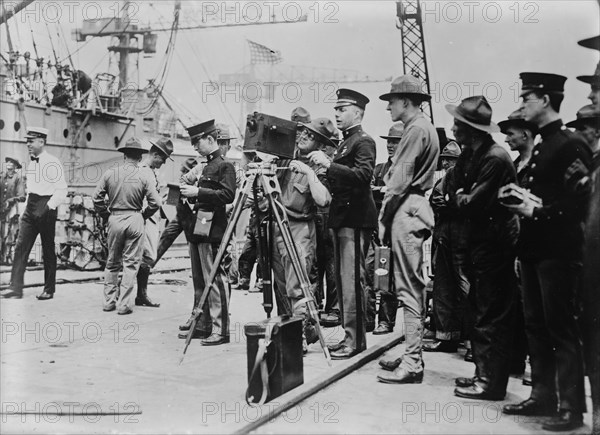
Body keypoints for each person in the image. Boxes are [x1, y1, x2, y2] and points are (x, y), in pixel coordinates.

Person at [502, 73, 592, 432]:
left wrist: (536, 212)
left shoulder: (569, 144)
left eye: (527, 99)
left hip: (558, 252)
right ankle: (543, 395)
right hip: (535, 249)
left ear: (545, 100)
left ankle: (571, 407)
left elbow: (581, 203)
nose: (522, 105)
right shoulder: (543, 143)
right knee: (536, 325)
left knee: (560, 328)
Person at [443, 96, 519, 402]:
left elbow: (471, 203)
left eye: (457, 124)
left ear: (469, 129)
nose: (452, 128)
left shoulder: (494, 158)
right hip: (480, 244)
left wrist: (456, 199)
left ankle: (490, 382)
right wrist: (458, 196)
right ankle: (483, 374)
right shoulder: (473, 154)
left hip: (495, 246)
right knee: (480, 308)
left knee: (490, 313)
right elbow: (452, 187)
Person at [374, 75, 439, 384]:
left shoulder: (414, 130)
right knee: (410, 286)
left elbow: (397, 181)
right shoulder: (423, 127)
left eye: (392, 101)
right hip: (415, 206)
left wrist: (384, 218)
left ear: (406, 102)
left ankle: (413, 360)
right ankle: (411, 350)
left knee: (409, 289)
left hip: (406, 207)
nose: (389, 107)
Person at [308, 88, 378, 360]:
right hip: (343, 218)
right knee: (344, 280)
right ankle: (350, 336)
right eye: (336, 109)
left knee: (352, 281)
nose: (336, 114)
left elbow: (363, 176)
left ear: (358, 113)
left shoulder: (364, 142)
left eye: (342, 109)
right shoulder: (347, 143)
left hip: (354, 219)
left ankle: (355, 341)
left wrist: (329, 165)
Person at [271, 117, 335, 353]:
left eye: (310, 136)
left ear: (320, 142)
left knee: (297, 286)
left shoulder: (319, 166)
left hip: (299, 229)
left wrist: (309, 172)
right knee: (281, 286)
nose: (302, 137)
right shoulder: (286, 159)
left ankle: (298, 337)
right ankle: (301, 329)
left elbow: (324, 200)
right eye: (302, 133)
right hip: (277, 225)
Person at [178, 120, 236, 346]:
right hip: (202, 224)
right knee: (201, 278)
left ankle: (221, 330)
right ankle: (204, 325)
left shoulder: (224, 166)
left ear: (210, 140)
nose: (195, 148)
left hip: (214, 229)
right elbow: (209, 194)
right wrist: (190, 195)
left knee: (215, 278)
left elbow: (227, 195)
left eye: (197, 142)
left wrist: (197, 190)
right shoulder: (207, 166)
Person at [92, 137, 161, 314]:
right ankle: (123, 305)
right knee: (131, 264)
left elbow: (96, 198)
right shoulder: (145, 175)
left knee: (112, 262)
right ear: (139, 157)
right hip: (135, 218)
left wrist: (106, 215)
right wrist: (144, 215)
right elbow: (156, 203)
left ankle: (108, 302)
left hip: (115, 218)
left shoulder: (110, 173)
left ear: (124, 156)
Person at [2, 127, 67, 300]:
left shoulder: (53, 163)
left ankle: (49, 289)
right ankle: (16, 287)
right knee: (21, 246)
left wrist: (48, 207)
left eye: (31, 141)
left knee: (47, 249)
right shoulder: (32, 162)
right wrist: (27, 209)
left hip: (46, 206)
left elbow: (62, 190)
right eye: (27, 141)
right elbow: (31, 190)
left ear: (42, 142)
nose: (28, 144)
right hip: (31, 206)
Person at [497, 109, 538, 378]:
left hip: (537, 243)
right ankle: (515, 360)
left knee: (536, 308)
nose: (507, 138)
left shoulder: (540, 164)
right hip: (513, 242)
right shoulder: (513, 165)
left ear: (525, 133)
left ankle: (538, 365)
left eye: (510, 133)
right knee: (515, 304)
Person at [423, 141, 470, 355]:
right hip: (443, 239)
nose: (446, 162)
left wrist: (454, 207)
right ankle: (447, 337)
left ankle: (471, 341)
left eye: (450, 159)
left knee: (466, 287)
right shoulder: (443, 180)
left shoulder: (471, 179)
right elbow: (437, 200)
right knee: (443, 288)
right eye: (444, 159)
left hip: (464, 241)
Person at [369, 122, 404, 335]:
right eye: (389, 141)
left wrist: (382, 190)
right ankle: (367, 320)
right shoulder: (379, 168)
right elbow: (368, 192)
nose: (391, 146)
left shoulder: (407, 169)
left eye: (396, 142)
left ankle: (386, 321)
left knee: (388, 277)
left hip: (395, 231)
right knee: (370, 273)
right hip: (375, 228)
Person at [135, 138, 174, 308]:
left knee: (147, 257)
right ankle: (139, 295)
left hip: (153, 219)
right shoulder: (142, 170)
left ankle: (140, 294)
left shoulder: (154, 172)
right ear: (155, 155)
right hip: (144, 218)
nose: (163, 163)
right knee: (144, 256)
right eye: (162, 159)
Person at [0, 157, 26, 264]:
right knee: (1, 232)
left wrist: (10, 200)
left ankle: (6, 257)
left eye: (12, 162)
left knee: (8, 232)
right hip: (1, 208)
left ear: (15, 166)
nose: (9, 164)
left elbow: (22, 196)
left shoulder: (18, 178)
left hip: (11, 210)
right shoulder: (2, 176)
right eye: (8, 162)